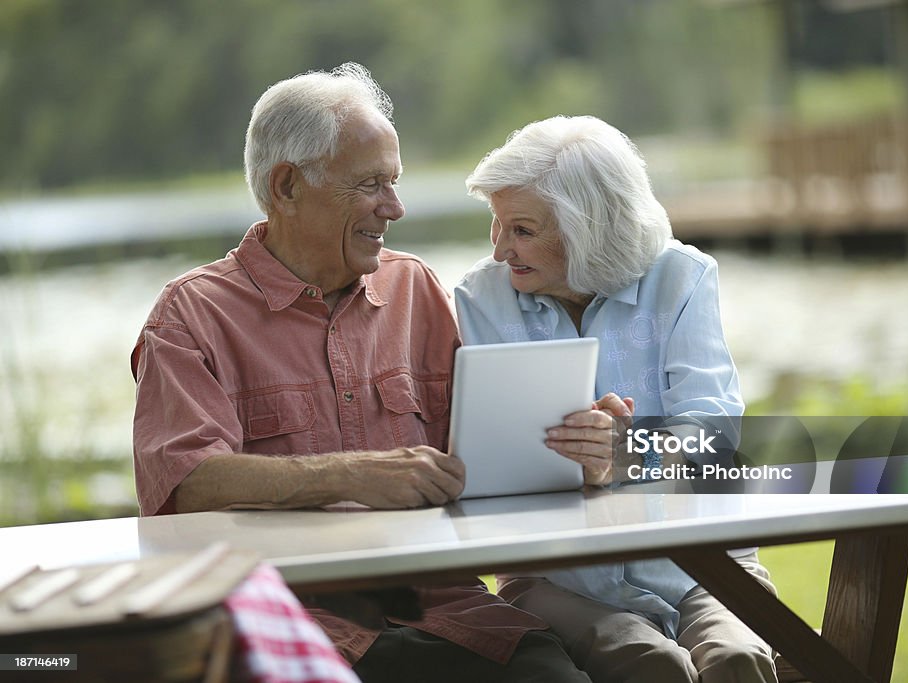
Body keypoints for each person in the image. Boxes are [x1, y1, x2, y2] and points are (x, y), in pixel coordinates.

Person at [131, 64, 589, 683]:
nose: (394, 207)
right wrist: (348, 475)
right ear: (288, 186)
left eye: (393, 182)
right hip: (296, 624)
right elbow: (183, 485)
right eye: (371, 184)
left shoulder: (415, 288)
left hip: (449, 610)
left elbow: (490, 455)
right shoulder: (190, 316)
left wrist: (578, 443)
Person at [454, 115, 778, 683]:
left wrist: (628, 451)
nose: (502, 249)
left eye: (523, 230)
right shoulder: (480, 299)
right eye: (497, 225)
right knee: (650, 664)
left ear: (587, 229)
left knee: (738, 660)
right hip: (558, 576)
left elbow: (713, 434)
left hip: (703, 565)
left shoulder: (683, 277)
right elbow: (488, 463)